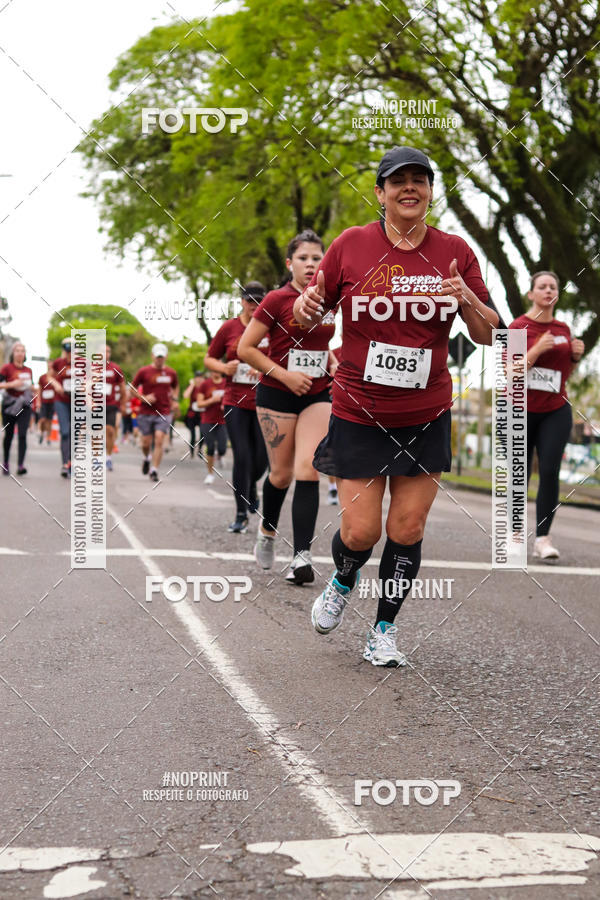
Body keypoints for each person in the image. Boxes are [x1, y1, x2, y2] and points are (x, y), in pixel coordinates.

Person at [294, 146, 499, 666]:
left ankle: (382, 630)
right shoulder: (350, 246)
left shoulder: (454, 250)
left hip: (425, 413)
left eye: (420, 180)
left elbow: (487, 333)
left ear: (430, 191)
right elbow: (309, 317)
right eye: (399, 180)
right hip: (360, 411)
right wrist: (304, 307)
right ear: (381, 192)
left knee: (406, 529)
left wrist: (467, 299)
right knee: (360, 532)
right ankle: (343, 580)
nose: (411, 188)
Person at [238, 230, 336, 584]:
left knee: (309, 469)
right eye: (303, 258)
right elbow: (245, 349)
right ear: (289, 263)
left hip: (317, 392)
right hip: (277, 394)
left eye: (316, 258)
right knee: (279, 475)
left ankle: (301, 556)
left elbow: (324, 341)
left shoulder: (332, 298)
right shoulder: (276, 300)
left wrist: (333, 359)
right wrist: (286, 375)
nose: (311, 265)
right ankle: (266, 531)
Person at [510, 271, 584, 560]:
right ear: (531, 294)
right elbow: (511, 372)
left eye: (553, 286)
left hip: (555, 410)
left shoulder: (564, 329)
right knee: (519, 475)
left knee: (550, 472)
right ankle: (514, 536)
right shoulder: (519, 326)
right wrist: (536, 349)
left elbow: (564, 374)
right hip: (519, 409)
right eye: (542, 286)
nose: (548, 290)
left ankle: (542, 539)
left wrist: (575, 358)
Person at [205, 282, 269, 533]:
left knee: (261, 461)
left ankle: (252, 486)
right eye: (249, 301)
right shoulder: (229, 327)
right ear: (242, 301)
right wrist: (223, 368)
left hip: (265, 400)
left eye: (258, 301)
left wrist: (263, 365)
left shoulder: (270, 326)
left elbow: (282, 355)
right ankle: (241, 513)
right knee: (241, 456)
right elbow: (209, 357)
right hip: (235, 401)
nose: (254, 306)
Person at [131, 343, 179, 482]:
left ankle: (154, 470)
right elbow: (131, 388)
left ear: (166, 357)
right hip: (146, 412)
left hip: (163, 411)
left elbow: (176, 387)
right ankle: (147, 458)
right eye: (157, 357)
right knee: (146, 443)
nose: (159, 359)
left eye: (162, 357)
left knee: (159, 439)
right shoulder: (144, 371)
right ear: (152, 356)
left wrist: (174, 400)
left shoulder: (171, 373)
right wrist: (143, 398)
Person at [1, 341, 34, 476]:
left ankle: (21, 465)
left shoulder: (28, 370)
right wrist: (12, 384)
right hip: (9, 406)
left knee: (22, 435)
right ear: (13, 353)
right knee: (8, 435)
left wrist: (36, 389)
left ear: (25, 354)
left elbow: (29, 387)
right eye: (17, 350)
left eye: (22, 351)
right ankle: (6, 462)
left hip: (25, 406)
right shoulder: (6, 368)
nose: (20, 353)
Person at [47, 337, 73, 478]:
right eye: (67, 350)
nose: (69, 353)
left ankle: (71, 461)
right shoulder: (58, 363)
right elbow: (49, 376)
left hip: (77, 401)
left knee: (74, 433)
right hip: (61, 400)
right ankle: (65, 464)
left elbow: (92, 377)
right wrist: (56, 385)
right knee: (64, 432)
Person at [196, 371, 227, 484]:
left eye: (218, 369)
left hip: (222, 421)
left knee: (223, 448)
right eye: (213, 369)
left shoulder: (226, 383)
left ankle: (220, 455)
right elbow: (199, 403)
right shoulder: (205, 384)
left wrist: (226, 405)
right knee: (210, 447)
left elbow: (231, 398)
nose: (215, 372)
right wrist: (212, 400)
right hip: (207, 420)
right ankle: (210, 474)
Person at [103, 344, 126, 471]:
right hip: (96, 405)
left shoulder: (115, 368)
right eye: (104, 351)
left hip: (111, 405)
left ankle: (108, 457)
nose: (106, 353)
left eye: (108, 351)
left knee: (110, 431)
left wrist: (122, 403)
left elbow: (122, 387)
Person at [183, 372, 204, 456]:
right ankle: (191, 451)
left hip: (202, 414)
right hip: (192, 413)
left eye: (200, 377)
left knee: (203, 432)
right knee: (193, 434)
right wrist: (191, 385)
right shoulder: (193, 387)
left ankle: (200, 450)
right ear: (195, 378)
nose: (199, 379)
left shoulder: (204, 387)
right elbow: (185, 395)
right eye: (197, 378)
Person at [38, 361, 56, 445]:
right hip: (43, 401)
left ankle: (48, 437)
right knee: (42, 419)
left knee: (49, 420)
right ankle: (41, 433)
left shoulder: (56, 377)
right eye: (49, 364)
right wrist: (38, 401)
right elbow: (39, 389)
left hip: (52, 402)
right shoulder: (42, 377)